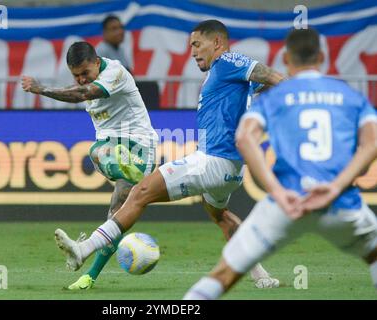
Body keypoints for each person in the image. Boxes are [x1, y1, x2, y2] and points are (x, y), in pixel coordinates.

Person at [54, 20, 286, 289]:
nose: (193, 51)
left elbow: (267, 74)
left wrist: (297, 93)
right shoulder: (228, 77)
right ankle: (262, 277)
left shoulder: (228, 62)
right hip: (231, 170)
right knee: (220, 216)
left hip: (211, 161)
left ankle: (84, 249)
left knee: (139, 192)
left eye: (198, 44)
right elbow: (261, 85)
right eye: (190, 46)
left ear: (218, 43)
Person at [183, 27, 377, 300]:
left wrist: (275, 190)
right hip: (340, 203)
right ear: (322, 57)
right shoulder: (348, 95)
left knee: (223, 275)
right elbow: (371, 145)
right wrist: (336, 186)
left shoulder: (276, 99)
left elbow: (245, 139)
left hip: (286, 203)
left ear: (285, 59)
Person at [21, 41, 158, 290]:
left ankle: (89, 276)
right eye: (76, 75)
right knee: (100, 163)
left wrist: (41, 89)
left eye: (86, 73)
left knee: (113, 205)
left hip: (139, 146)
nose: (82, 79)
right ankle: (126, 170)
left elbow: (82, 94)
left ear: (97, 62)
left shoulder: (114, 73)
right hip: (111, 148)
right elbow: (81, 90)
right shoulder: (87, 80)